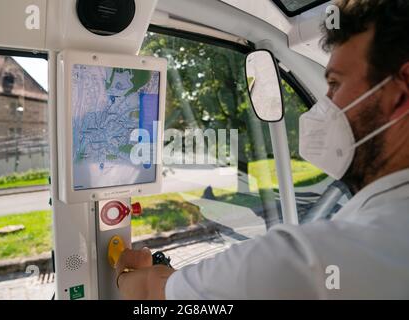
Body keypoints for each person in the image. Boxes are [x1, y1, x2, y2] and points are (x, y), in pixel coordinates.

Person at [116, 0, 409, 299]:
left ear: (400, 95)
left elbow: (153, 297)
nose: (325, 105)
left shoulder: (304, 261)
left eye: (334, 84)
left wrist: (127, 272)